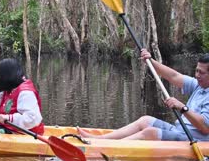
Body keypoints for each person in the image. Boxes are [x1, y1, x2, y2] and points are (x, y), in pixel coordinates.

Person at [78, 49, 209, 141]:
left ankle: (107, 147)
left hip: (195, 139)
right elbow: (173, 75)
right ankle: (99, 139)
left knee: (150, 132)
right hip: (179, 130)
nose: (197, 75)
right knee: (145, 120)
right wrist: (150, 61)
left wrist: (182, 108)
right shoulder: (197, 84)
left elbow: (205, 128)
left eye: (201, 72)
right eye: (196, 71)